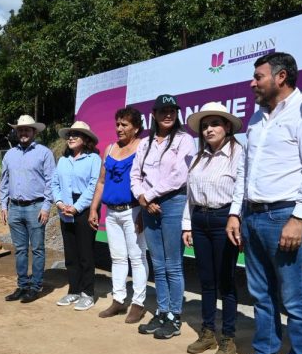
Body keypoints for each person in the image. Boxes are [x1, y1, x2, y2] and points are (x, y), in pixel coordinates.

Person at [225, 52, 302, 354]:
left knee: (295, 300)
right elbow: (244, 171)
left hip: (285, 217)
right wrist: (236, 214)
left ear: (281, 77)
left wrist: (299, 218)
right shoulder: (256, 118)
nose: (252, 83)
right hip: (253, 217)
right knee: (260, 296)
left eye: (258, 77)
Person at [182, 102, 244, 354]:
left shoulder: (238, 153)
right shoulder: (199, 157)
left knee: (226, 282)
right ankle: (208, 332)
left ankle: (228, 338)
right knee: (206, 281)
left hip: (224, 219)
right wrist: (187, 224)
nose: (209, 130)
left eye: (215, 124)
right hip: (200, 219)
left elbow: (242, 187)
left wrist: (236, 217)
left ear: (227, 127)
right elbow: (190, 194)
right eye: (205, 126)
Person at [131, 95, 195, 339]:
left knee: (173, 264)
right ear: (154, 115)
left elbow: (180, 175)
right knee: (157, 263)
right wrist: (142, 198)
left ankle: (174, 316)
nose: (168, 114)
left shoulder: (184, 140)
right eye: (162, 111)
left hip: (172, 202)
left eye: (172, 110)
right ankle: (162, 310)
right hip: (149, 206)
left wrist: (151, 195)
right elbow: (135, 175)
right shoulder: (145, 144)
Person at [89, 107, 150, 324]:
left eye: (124, 125)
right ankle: (118, 299)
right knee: (117, 257)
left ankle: (138, 303)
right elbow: (102, 182)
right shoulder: (110, 149)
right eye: (117, 124)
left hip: (133, 210)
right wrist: (94, 208)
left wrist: (143, 212)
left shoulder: (143, 146)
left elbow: (146, 181)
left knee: (137, 257)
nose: (119, 129)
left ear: (136, 127)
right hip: (112, 213)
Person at [0, 115, 55, 303]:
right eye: (20, 129)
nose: (23, 133)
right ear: (16, 132)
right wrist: (3, 205)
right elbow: (4, 182)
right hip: (14, 207)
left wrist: (47, 206)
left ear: (34, 132)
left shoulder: (44, 153)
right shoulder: (10, 155)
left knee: (38, 249)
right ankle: (22, 285)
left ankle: (36, 286)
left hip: (36, 207)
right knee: (20, 249)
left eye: (27, 129)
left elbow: (51, 182)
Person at [52, 121, 101, 311]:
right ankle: (73, 290)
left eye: (76, 135)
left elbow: (93, 186)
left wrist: (77, 207)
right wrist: (59, 203)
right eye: (69, 135)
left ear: (86, 139)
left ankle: (87, 293)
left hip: (84, 209)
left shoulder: (93, 159)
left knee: (85, 254)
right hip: (65, 208)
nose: (71, 138)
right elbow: (55, 183)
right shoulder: (63, 160)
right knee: (71, 254)